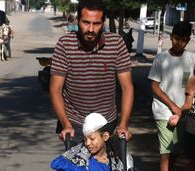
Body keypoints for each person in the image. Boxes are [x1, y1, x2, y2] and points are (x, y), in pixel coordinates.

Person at [50, 0, 134, 144]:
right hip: (75, 122)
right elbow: (55, 88)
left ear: (103, 22)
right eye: (85, 22)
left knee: (105, 165)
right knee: (75, 165)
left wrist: (123, 125)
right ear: (77, 21)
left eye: (96, 24)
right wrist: (66, 124)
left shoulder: (116, 44)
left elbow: (127, 87)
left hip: (106, 121)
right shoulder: (65, 44)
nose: (90, 29)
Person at [148, 21, 195, 171]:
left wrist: (183, 109)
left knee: (176, 151)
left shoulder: (193, 58)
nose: (180, 43)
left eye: (184, 40)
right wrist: (172, 106)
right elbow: (154, 86)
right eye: (177, 39)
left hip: (185, 112)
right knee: (166, 152)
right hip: (164, 112)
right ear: (171, 37)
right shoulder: (161, 59)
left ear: (188, 40)